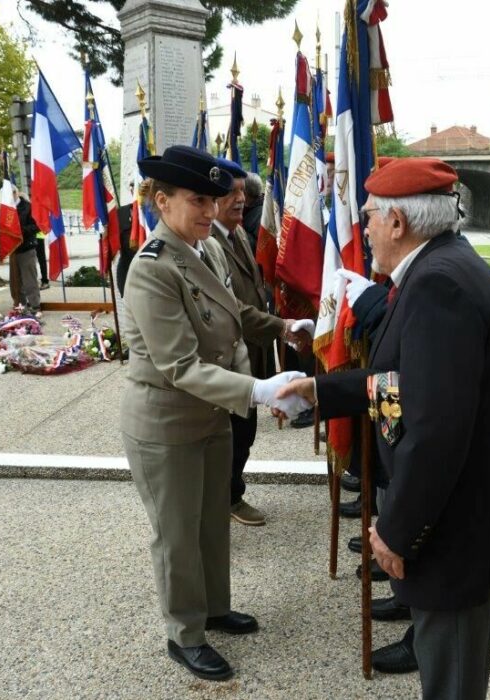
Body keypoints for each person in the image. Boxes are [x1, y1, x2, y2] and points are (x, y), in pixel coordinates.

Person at [278, 157, 490, 700]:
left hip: (458, 529)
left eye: (370, 215)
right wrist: (321, 391)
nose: (365, 228)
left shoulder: (438, 286)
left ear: (398, 223)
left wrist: (397, 530)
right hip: (462, 517)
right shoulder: (440, 267)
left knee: (453, 686)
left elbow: (437, 431)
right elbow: (405, 380)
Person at [121, 145, 312, 683]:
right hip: (167, 424)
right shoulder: (153, 269)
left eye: (216, 199)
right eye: (197, 200)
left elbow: (235, 312)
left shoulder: (205, 249)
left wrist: (281, 327)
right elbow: (180, 364)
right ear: (162, 201)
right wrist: (261, 389)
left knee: (210, 524)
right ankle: (184, 635)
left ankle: (213, 608)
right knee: (177, 534)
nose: (211, 210)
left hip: (210, 418)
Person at [209, 159, 287, 526]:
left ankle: (230, 492)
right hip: (228, 358)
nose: (241, 199)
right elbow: (231, 307)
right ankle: (225, 499)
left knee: (246, 430)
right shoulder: (207, 242)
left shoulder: (236, 231)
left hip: (251, 351)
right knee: (230, 434)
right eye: (231, 192)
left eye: (243, 190)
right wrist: (280, 326)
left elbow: (254, 289)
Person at [11, 189, 42, 312]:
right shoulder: (6, 209)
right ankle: (20, 305)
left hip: (26, 248)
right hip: (13, 250)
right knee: (16, 281)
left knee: (29, 279)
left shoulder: (28, 207)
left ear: (16, 193)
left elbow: (37, 226)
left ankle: (35, 305)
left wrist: (20, 229)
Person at [240, 171, 263, 254]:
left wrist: (238, 228)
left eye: (240, 189)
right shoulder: (249, 208)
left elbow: (260, 248)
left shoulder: (261, 214)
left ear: (245, 193)